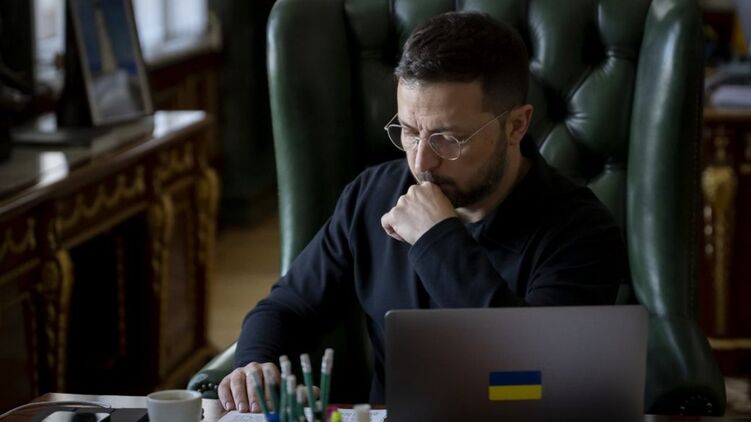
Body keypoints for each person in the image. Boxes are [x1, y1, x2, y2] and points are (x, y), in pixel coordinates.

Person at [218, 11, 628, 413]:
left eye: (448, 139)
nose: (421, 163)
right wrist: (255, 364)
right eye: (410, 132)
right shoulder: (373, 195)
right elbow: (286, 308)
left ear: (516, 126)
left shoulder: (582, 232)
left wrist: (439, 240)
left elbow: (535, 377)